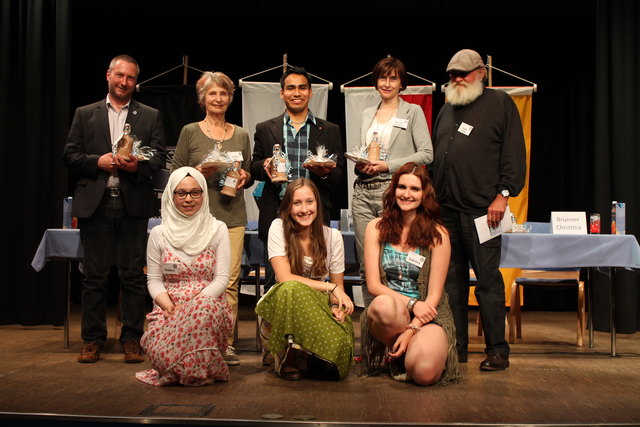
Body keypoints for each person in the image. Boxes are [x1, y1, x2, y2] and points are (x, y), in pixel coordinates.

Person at [62, 54, 166, 363]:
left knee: (133, 275)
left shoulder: (150, 115)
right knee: (94, 277)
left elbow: (159, 159)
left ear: (136, 82)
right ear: (108, 75)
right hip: (96, 203)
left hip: (132, 203)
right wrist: (97, 161)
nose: (124, 82)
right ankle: (93, 339)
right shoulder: (85, 113)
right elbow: (69, 156)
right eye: (119, 76)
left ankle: (132, 338)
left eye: (130, 78)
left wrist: (137, 166)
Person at [431, 49, 526, 371]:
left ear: (481, 72)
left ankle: (497, 349)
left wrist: (503, 195)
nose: (456, 79)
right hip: (447, 211)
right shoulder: (447, 109)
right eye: (452, 74)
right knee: (452, 283)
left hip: (486, 211)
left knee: (487, 281)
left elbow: (514, 155)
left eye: (463, 73)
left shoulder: (500, 104)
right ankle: (457, 349)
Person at [171, 71, 252, 366]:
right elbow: (175, 173)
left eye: (223, 94)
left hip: (232, 216)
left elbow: (249, 172)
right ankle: (193, 339)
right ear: (202, 99)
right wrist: (197, 173)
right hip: (197, 219)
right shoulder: (190, 131)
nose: (218, 99)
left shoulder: (241, 134)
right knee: (196, 281)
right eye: (212, 94)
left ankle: (225, 343)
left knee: (229, 282)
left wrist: (245, 175)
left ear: (230, 98)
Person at [361, 162, 461, 386]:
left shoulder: (438, 234)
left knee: (425, 374)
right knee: (381, 305)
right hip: (394, 314)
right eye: (402, 187)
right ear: (393, 190)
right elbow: (374, 286)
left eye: (414, 189)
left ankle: (404, 354)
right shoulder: (375, 228)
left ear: (425, 194)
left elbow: (434, 296)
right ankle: (398, 351)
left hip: (427, 317)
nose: (406, 194)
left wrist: (413, 327)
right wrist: (413, 304)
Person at [250, 66, 344, 295]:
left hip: (314, 212)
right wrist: (264, 166)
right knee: (275, 284)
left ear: (311, 92)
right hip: (276, 212)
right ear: (282, 93)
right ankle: (273, 330)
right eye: (290, 88)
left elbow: (340, 175)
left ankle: (314, 326)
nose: (297, 92)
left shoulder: (330, 130)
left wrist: (325, 172)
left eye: (302, 87)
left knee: (317, 277)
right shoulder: (265, 129)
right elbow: (253, 167)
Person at [135, 167, 233, 386]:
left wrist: (192, 306)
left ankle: (197, 371)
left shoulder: (217, 229)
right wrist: (168, 306)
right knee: (161, 356)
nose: (189, 199)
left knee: (201, 314)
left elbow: (221, 279)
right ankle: (189, 369)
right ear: (171, 196)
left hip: (207, 303)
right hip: (169, 306)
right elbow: (154, 280)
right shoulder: (159, 234)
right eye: (181, 193)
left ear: (203, 195)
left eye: (195, 192)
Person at [352, 57, 433, 307]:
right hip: (363, 192)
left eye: (393, 78)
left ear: (401, 83)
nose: (387, 83)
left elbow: (427, 154)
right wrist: (360, 163)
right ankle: (372, 328)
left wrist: (389, 165)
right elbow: (368, 151)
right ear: (376, 81)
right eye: (382, 77)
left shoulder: (412, 111)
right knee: (367, 266)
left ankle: (398, 323)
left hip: (394, 193)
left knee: (392, 265)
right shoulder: (368, 113)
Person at [255, 178, 355, 381]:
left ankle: (309, 356)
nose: (304, 209)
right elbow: (284, 278)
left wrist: (338, 307)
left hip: (319, 305)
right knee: (291, 288)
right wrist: (330, 287)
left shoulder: (332, 237)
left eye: (309, 202)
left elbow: (338, 293)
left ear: (318, 203)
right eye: (297, 203)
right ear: (288, 207)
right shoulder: (278, 227)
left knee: (339, 351)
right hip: (283, 302)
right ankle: (290, 357)